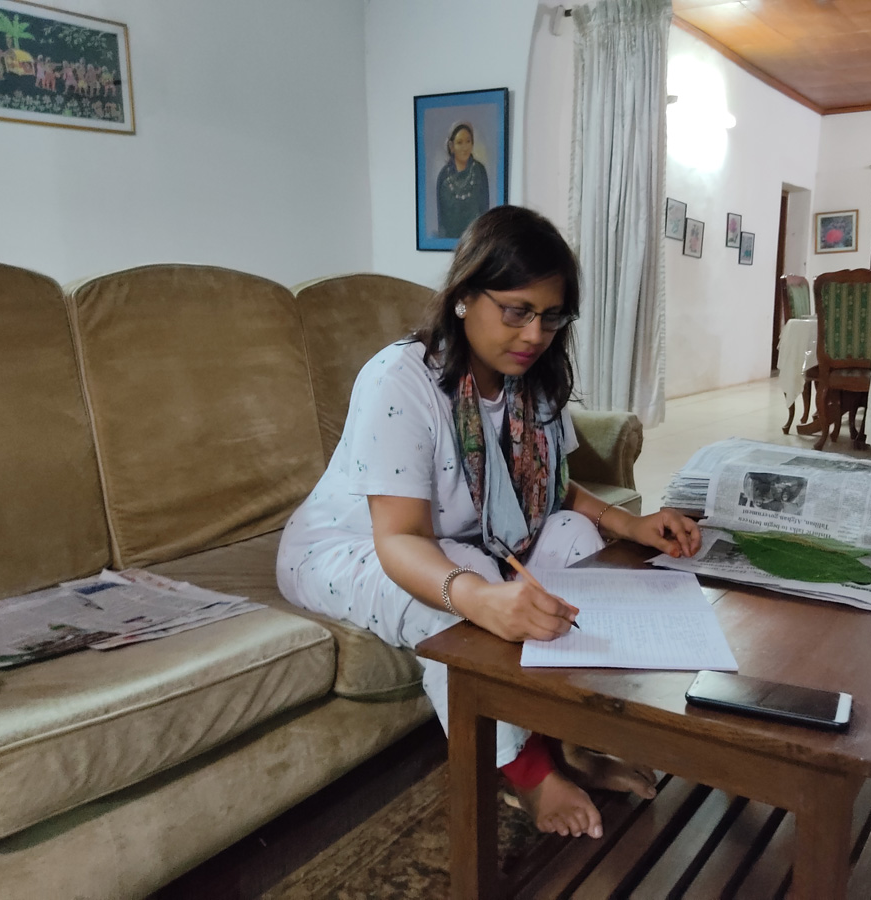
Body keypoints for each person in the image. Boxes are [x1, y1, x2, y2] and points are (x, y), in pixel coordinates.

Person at [276, 206, 701, 839]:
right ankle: (528, 773)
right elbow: (399, 537)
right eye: (516, 311)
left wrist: (628, 524)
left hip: (460, 539)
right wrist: (480, 597)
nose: (534, 334)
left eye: (551, 317)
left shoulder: (532, 379)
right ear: (464, 297)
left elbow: (549, 488)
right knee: (470, 575)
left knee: (575, 538)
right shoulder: (401, 380)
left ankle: (568, 738)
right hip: (348, 547)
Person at [436, 122, 490, 239]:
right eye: (459, 143)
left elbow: (485, 212)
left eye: (468, 141)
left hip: (475, 240)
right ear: (452, 146)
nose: (465, 147)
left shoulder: (480, 171)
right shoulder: (443, 176)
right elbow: (441, 219)